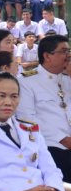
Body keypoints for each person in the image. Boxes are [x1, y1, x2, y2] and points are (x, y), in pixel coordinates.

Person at [17, 35, 71, 182]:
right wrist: (63, 139)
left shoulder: (67, 79)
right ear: (47, 56)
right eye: (64, 51)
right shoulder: (26, 81)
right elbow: (27, 119)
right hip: (50, 146)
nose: (69, 55)